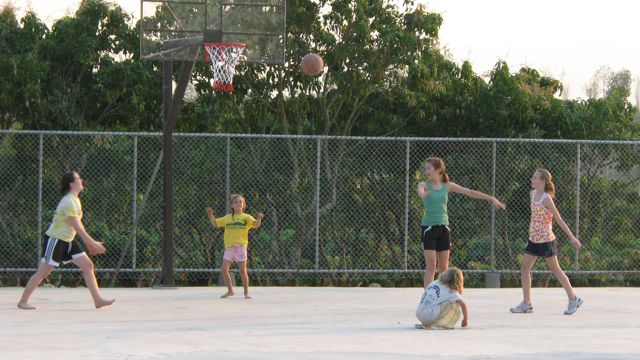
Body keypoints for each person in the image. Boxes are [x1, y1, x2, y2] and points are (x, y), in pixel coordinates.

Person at [17, 172, 115, 310]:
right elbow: (77, 226)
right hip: (55, 240)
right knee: (43, 272)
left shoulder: (75, 200)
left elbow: (77, 226)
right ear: (71, 184)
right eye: (78, 179)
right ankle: (23, 301)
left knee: (88, 265)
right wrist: (91, 242)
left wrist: (88, 243)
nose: (81, 180)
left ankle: (98, 300)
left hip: (68, 241)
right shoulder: (68, 201)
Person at [417, 157, 506, 287]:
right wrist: (422, 194)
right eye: (425, 168)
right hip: (428, 228)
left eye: (429, 168)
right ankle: (428, 298)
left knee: (444, 267)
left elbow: (470, 192)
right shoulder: (424, 185)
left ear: (438, 170)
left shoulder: (447, 186)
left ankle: (444, 297)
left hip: (443, 228)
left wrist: (491, 198)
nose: (426, 171)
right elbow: (420, 191)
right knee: (430, 267)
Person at [510, 169, 583, 315]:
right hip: (533, 239)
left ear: (542, 181)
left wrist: (571, 237)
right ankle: (526, 304)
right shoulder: (532, 194)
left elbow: (558, 218)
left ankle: (573, 299)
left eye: (535, 177)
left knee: (556, 270)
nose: (532, 179)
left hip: (546, 240)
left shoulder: (546, 198)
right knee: (524, 269)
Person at [206, 194, 264, 299]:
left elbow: (256, 225)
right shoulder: (227, 218)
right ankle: (230, 290)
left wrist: (259, 218)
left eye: (240, 202)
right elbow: (215, 223)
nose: (238, 204)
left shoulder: (246, 217)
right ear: (232, 205)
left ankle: (246, 293)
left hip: (241, 248)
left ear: (244, 204)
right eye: (236, 202)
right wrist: (211, 215)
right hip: (229, 248)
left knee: (242, 271)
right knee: (224, 269)